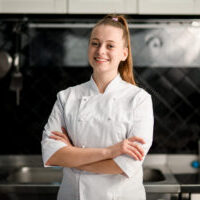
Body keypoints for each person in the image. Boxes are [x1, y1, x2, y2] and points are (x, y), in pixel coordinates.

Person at [41, 14, 154, 200]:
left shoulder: (139, 99)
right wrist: (109, 152)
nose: (100, 51)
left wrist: (73, 158)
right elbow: (52, 155)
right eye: (95, 43)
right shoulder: (66, 97)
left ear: (124, 53)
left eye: (110, 45)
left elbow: (125, 165)